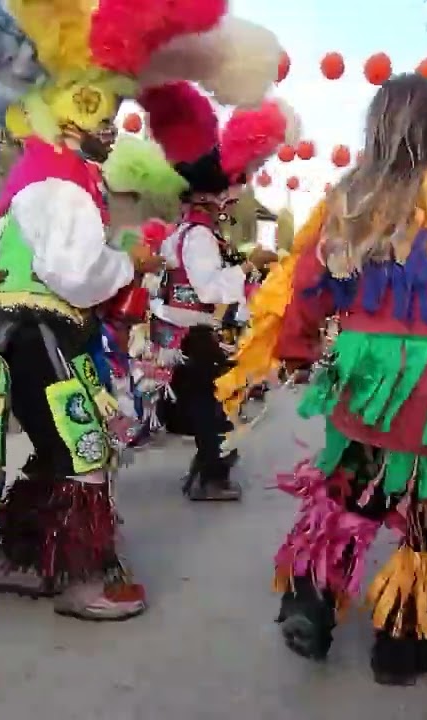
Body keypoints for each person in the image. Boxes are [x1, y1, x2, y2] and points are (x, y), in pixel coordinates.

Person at [0, 0, 265, 622]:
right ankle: (85, 577)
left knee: (55, 449)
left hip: (14, 332)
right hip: (41, 333)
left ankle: (20, 560)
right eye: (103, 110)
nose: (113, 126)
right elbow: (74, 273)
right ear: (71, 110)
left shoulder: (39, 172)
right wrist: (128, 263)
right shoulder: (62, 179)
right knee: (85, 450)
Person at [227, 74, 427, 685]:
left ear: (376, 125)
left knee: (352, 486)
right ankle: (404, 644)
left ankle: (311, 601)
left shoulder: (354, 193)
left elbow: (310, 281)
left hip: (365, 373)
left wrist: (296, 346)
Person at [136, 81, 293, 501]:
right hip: (191, 335)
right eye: (228, 191)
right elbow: (208, 289)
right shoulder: (200, 236)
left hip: (181, 333)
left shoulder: (186, 231)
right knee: (213, 406)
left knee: (211, 404)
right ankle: (210, 477)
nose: (232, 199)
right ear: (211, 195)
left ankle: (208, 470)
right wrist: (248, 265)